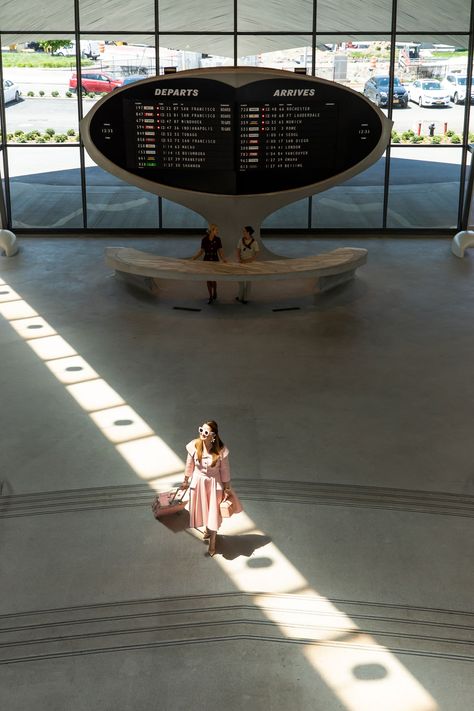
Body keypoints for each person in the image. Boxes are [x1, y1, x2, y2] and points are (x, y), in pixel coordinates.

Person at [182, 420, 242, 557]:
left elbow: (225, 470)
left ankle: (213, 540)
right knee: (203, 510)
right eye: (201, 430)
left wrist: (227, 488)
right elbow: (189, 465)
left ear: (213, 435)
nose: (202, 433)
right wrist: (185, 480)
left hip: (215, 485)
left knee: (213, 513)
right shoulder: (194, 445)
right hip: (198, 483)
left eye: (206, 432)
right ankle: (208, 530)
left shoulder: (221, 450)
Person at [190, 223, 227, 304]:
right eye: (216, 230)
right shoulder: (204, 239)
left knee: (213, 278)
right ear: (211, 231)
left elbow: (220, 251)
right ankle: (210, 296)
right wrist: (194, 258)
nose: (217, 231)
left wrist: (223, 259)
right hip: (206, 260)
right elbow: (201, 251)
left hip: (215, 259)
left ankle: (215, 292)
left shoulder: (218, 239)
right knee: (208, 279)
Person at [236, 225, 259, 304]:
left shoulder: (254, 242)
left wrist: (247, 261)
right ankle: (240, 296)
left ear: (248, 232)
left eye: (244, 231)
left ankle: (246, 298)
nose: (243, 232)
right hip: (241, 262)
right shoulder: (240, 240)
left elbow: (256, 254)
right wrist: (239, 259)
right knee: (240, 280)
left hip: (250, 263)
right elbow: (238, 250)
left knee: (248, 281)